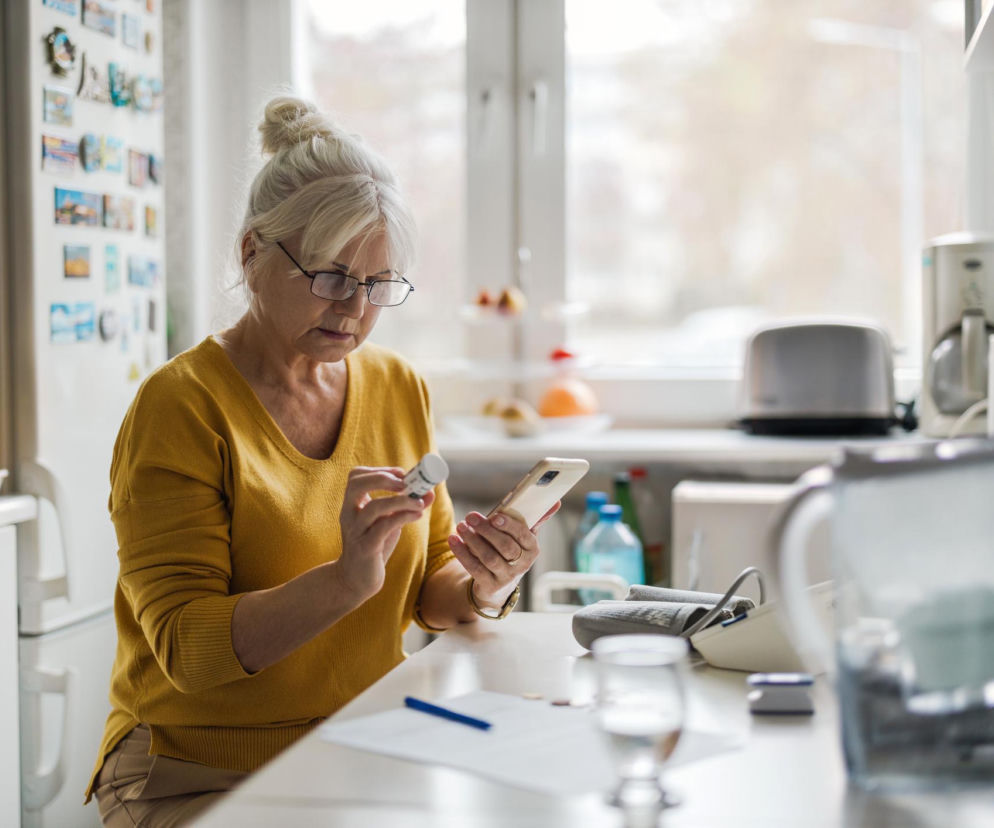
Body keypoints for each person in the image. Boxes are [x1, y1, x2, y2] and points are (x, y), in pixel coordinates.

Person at [86, 96, 559, 827]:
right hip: (194, 769)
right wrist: (343, 581)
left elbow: (430, 595)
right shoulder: (180, 406)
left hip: (362, 745)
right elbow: (186, 649)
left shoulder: (399, 386)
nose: (354, 310)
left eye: (377, 286)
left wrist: (485, 582)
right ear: (251, 253)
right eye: (331, 276)